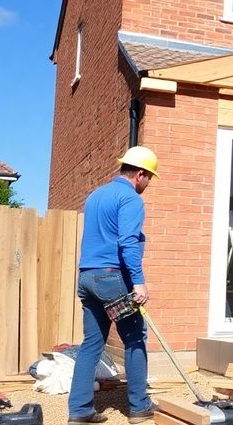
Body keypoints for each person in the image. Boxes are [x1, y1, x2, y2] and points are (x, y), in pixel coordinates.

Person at [68, 146, 160, 424]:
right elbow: (127, 242)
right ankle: (139, 407)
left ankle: (80, 411)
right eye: (150, 178)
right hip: (111, 280)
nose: (149, 184)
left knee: (91, 344)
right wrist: (139, 283)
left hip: (87, 278)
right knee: (134, 339)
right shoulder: (130, 199)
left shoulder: (96, 195)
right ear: (140, 174)